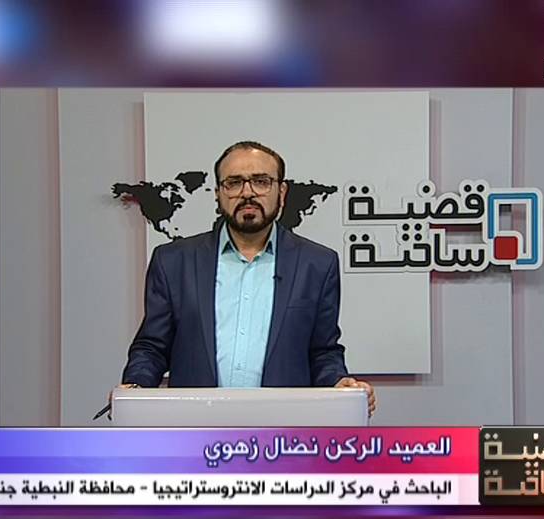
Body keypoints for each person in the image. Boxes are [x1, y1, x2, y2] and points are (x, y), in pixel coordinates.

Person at [120, 141, 375, 417]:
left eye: (261, 181)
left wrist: (340, 384)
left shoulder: (317, 264)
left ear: (282, 192)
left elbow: (322, 351)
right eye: (233, 183)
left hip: (283, 427)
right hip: (195, 425)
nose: (247, 193)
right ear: (218, 194)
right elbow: (152, 347)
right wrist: (134, 388)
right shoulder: (173, 261)